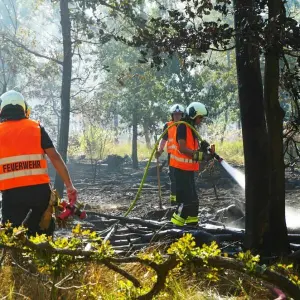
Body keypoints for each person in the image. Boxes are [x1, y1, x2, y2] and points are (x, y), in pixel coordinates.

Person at [0, 90, 77, 236]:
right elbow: (54, 157)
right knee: (42, 236)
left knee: (11, 239)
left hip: (11, 196)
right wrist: (69, 186)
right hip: (40, 194)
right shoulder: (36, 128)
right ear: (24, 108)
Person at [169, 101, 212, 226]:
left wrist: (205, 151)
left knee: (194, 202)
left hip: (188, 171)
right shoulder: (183, 126)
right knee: (186, 202)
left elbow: (194, 152)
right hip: (181, 171)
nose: (201, 120)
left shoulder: (191, 129)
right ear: (194, 114)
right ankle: (175, 228)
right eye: (200, 117)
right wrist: (200, 155)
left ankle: (192, 227)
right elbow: (182, 148)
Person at [155, 104, 185, 205]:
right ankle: (173, 200)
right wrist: (160, 150)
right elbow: (163, 140)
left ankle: (182, 199)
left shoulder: (185, 126)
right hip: (172, 157)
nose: (177, 116)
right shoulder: (168, 125)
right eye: (175, 114)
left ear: (182, 115)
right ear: (172, 115)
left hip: (183, 157)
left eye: (179, 114)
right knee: (173, 178)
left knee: (182, 179)